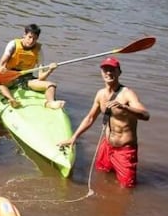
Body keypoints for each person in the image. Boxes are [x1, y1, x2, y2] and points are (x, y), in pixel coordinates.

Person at [58, 58, 150, 188]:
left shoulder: (127, 94)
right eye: (105, 70)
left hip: (124, 150)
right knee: (102, 176)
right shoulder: (100, 94)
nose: (108, 73)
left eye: (112, 70)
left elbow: (146, 115)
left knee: (127, 187)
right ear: (102, 73)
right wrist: (73, 137)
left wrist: (125, 107)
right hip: (106, 146)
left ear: (119, 72)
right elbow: (90, 118)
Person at [0, 23, 65, 110]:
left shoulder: (39, 51)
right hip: (10, 76)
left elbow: (41, 77)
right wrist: (2, 68)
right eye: (29, 37)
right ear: (24, 35)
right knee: (1, 84)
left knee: (51, 85)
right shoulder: (13, 44)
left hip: (27, 79)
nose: (31, 41)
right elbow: (2, 63)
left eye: (34, 39)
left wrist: (50, 70)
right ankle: (12, 100)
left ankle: (50, 103)